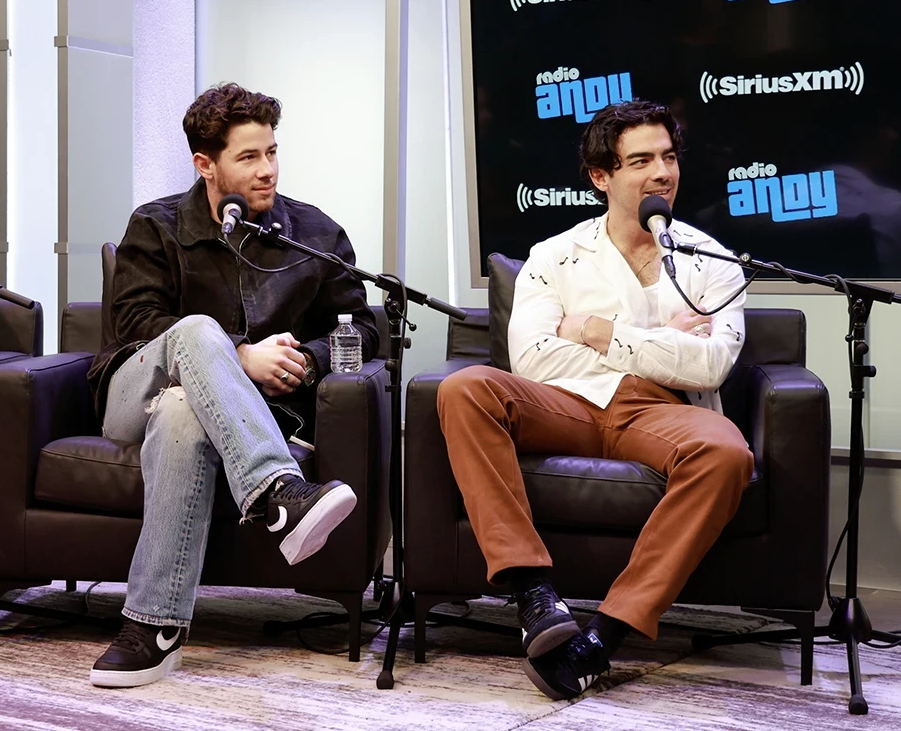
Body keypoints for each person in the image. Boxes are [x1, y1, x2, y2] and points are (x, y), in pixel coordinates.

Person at [435, 100, 752, 700]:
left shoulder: (712, 262)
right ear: (601, 177)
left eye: (668, 156)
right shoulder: (555, 256)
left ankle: (602, 638)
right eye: (641, 161)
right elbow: (532, 358)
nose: (662, 172)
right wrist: (664, 342)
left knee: (726, 454)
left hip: (660, 410)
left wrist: (596, 331)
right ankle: (533, 593)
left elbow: (711, 363)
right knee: (465, 388)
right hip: (568, 403)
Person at [86, 83, 378, 688]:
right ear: (206, 164)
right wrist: (237, 356)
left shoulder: (315, 234)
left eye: (272, 152)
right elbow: (136, 324)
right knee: (194, 335)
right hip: (131, 393)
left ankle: (154, 630)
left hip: (237, 415)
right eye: (249, 158)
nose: (267, 169)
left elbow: (364, 327)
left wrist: (311, 360)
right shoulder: (157, 225)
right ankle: (278, 491)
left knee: (183, 416)